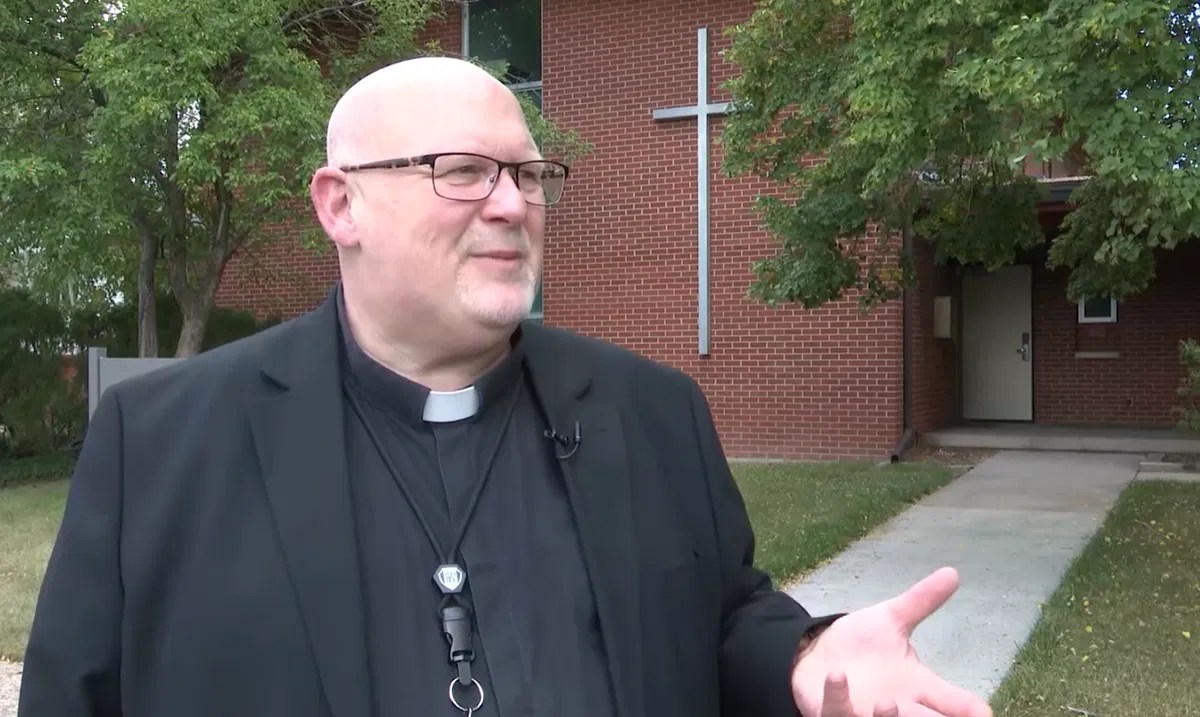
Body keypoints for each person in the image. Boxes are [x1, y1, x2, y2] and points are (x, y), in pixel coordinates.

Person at [18, 57, 991, 717]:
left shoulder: (650, 415)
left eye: (529, 175)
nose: (511, 204)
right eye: (463, 172)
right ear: (339, 202)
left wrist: (803, 657)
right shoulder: (160, 445)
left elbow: (722, 614)